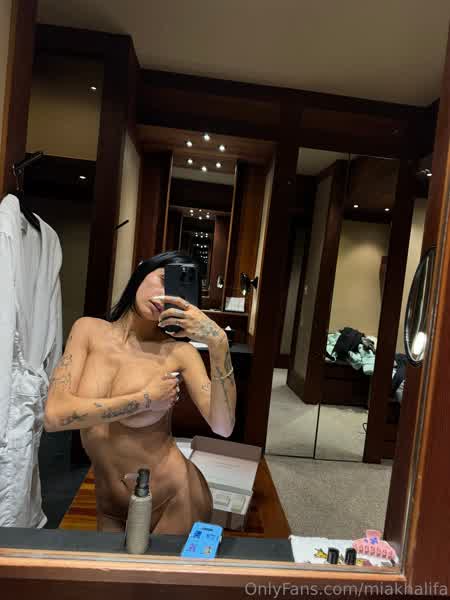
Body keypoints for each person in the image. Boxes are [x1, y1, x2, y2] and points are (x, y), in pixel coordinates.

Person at [44, 251, 236, 534]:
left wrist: (218, 342)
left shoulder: (179, 352)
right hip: (110, 504)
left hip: (174, 497)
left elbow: (223, 426)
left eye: (177, 289)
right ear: (142, 272)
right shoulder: (87, 330)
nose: (164, 296)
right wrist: (144, 400)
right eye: (163, 279)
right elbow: (53, 417)